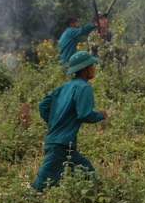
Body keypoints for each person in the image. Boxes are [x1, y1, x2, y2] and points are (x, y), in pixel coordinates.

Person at [31, 51, 108, 191]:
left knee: (88, 173)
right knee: (42, 184)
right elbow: (85, 114)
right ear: (85, 69)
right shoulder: (84, 87)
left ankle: (96, 199)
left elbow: (43, 105)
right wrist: (100, 115)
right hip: (60, 146)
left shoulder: (64, 87)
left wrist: (56, 123)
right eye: (92, 66)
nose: (94, 68)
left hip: (63, 144)